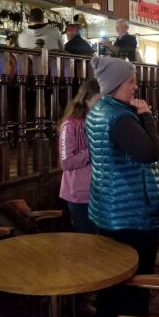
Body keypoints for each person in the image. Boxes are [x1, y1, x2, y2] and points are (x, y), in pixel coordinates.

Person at [86, 56, 159, 317]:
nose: (135, 86)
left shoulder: (97, 111)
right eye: (131, 81)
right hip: (129, 214)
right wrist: (147, 116)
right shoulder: (120, 118)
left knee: (112, 280)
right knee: (134, 282)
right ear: (117, 83)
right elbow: (150, 152)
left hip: (108, 209)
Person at [59, 79, 101, 234]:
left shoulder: (99, 121)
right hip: (79, 194)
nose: (101, 106)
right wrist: (93, 151)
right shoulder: (70, 125)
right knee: (87, 241)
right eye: (98, 101)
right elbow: (66, 162)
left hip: (100, 192)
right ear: (86, 100)